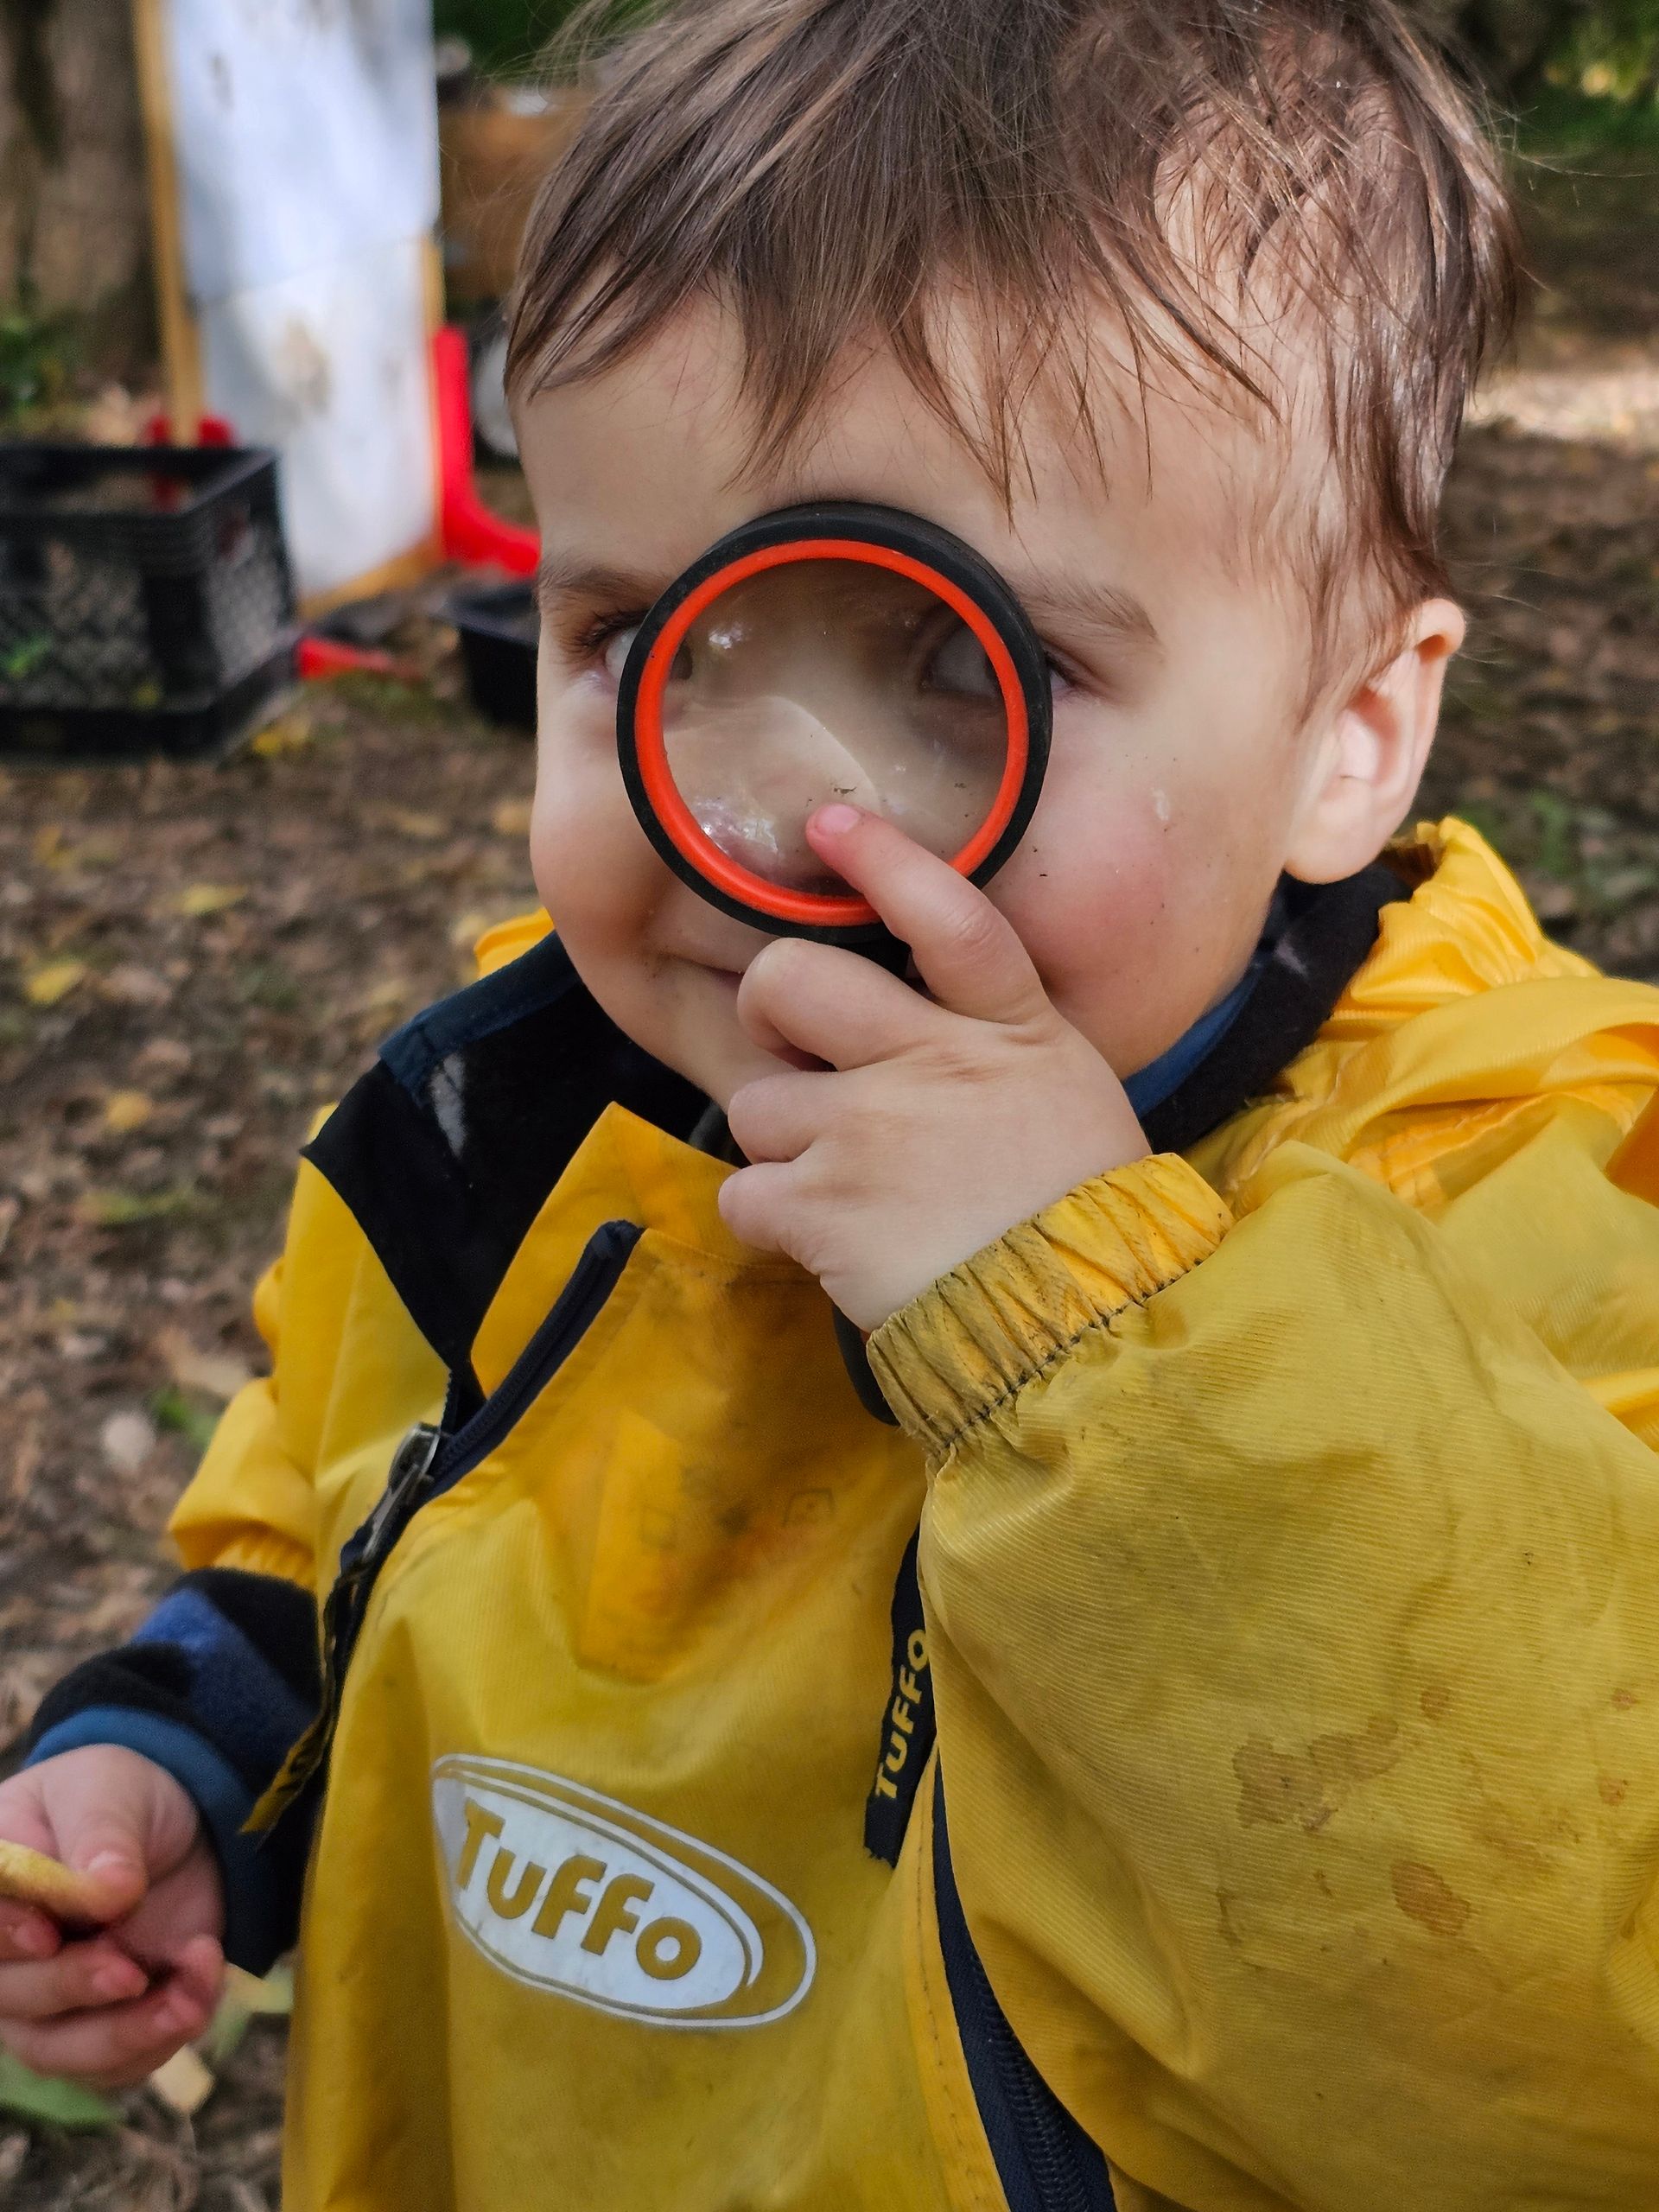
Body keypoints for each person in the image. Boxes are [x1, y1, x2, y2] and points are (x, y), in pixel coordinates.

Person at [5, 2, 1659, 2205]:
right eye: (636, 644)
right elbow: (339, 1504)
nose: (768, 827)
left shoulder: (1539, 1213)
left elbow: (1562, 2035)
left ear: (1354, 732)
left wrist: (1102, 1329)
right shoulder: (508, 1112)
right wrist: (181, 1759)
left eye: (980, 668)